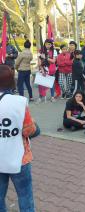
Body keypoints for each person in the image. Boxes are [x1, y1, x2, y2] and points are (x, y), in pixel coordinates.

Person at [0, 65, 38, 212]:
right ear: (12, 81)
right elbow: (30, 130)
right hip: (20, 158)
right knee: (25, 197)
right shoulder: (19, 102)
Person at [37, 39, 58, 103]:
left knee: (51, 83)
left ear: (51, 45)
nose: (48, 45)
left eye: (49, 44)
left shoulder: (54, 51)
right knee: (41, 84)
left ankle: (52, 97)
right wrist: (42, 70)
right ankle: (40, 97)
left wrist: (46, 57)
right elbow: (39, 62)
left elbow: (53, 61)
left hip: (51, 69)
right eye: (46, 44)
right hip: (42, 69)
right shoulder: (40, 51)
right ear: (44, 44)